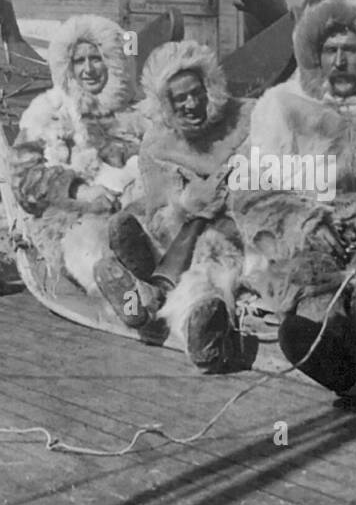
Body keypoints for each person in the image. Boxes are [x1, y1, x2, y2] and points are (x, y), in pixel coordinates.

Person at [233, 0, 356, 392]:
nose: (339, 62)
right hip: (310, 234)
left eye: (351, 51)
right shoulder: (283, 106)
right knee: (311, 290)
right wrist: (304, 223)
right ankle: (329, 358)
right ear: (314, 55)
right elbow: (252, 192)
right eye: (329, 51)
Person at [93, 41, 254, 372]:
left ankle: (156, 298)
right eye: (179, 99)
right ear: (165, 104)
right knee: (136, 231)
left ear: (210, 87)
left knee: (220, 266)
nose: (192, 104)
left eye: (197, 92)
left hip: (242, 227)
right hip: (183, 236)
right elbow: (159, 215)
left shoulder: (247, 117)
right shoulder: (156, 143)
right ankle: (147, 285)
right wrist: (190, 203)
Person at [10, 14, 146, 296]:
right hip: (78, 219)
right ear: (66, 66)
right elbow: (23, 179)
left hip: (140, 213)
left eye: (96, 58)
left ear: (114, 60)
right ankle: (123, 290)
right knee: (88, 246)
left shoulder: (139, 112)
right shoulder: (48, 110)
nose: (88, 69)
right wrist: (79, 190)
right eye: (78, 60)